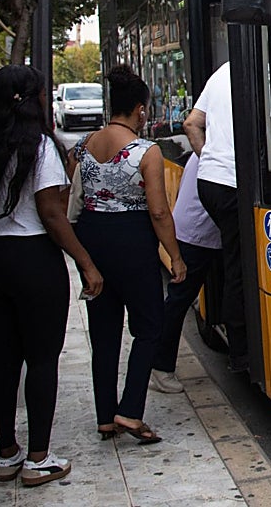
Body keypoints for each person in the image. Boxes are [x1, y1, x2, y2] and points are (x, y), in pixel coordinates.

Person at [0, 65, 104, 488]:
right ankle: (39, 457)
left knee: (3, 358)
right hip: (34, 258)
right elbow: (52, 214)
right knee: (41, 360)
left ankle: (7, 454)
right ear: (35, 98)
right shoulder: (39, 147)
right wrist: (85, 262)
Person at [68, 65, 185, 444]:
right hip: (132, 242)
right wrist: (175, 257)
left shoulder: (83, 146)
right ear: (140, 110)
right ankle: (131, 410)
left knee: (103, 335)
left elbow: (77, 197)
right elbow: (158, 211)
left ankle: (106, 417)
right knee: (149, 327)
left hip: (92, 239)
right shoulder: (145, 152)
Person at [181, 62, 250, 372]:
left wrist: (208, 158)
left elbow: (191, 123)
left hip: (210, 182)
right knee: (241, 266)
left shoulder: (224, 70)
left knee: (232, 259)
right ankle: (241, 352)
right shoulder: (262, 68)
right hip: (232, 184)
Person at [149, 152, 221, 394]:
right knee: (178, 300)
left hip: (199, 232)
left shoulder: (209, 149)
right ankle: (160, 367)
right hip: (197, 236)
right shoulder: (212, 153)